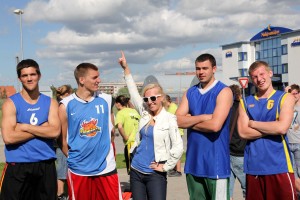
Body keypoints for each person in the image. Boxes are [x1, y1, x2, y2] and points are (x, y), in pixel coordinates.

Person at [118, 51, 184, 200]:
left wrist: (166, 167)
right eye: (147, 98)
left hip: (155, 174)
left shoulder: (169, 119)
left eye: (154, 98)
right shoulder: (144, 113)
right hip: (136, 170)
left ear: (161, 98)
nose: (150, 101)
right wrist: (126, 68)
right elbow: (133, 92)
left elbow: (178, 147)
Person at [58, 63, 121, 200]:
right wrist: (74, 158)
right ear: (82, 80)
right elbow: (62, 140)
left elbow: (111, 132)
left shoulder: (106, 99)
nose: (99, 80)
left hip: (106, 168)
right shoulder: (66, 105)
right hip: (78, 170)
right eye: (94, 77)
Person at [0, 59, 61, 200]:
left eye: (32, 74)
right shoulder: (10, 103)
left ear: (39, 75)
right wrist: (42, 128)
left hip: (45, 165)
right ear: (19, 78)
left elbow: (54, 132)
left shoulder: (51, 103)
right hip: (18, 166)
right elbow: (9, 138)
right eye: (25, 75)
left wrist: (25, 127)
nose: (29, 78)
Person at [176, 53, 232, 199]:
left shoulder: (224, 91)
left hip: (216, 164)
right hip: (193, 163)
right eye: (198, 68)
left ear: (214, 69)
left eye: (205, 68)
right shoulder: (190, 92)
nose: (201, 72)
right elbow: (175, 121)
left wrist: (188, 121)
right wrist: (201, 118)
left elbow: (215, 126)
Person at [237, 61, 297, 199]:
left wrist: (253, 123)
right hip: (254, 167)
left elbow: (282, 128)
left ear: (270, 73)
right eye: (255, 76)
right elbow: (243, 132)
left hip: (279, 165)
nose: (259, 79)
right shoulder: (245, 102)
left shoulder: (285, 97)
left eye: (261, 74)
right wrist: (272, 126)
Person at [54, 85, 73, 200]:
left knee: (64, 170)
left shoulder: (59, 105)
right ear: (67, 94)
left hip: (63, 143)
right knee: (62, 171)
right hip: (62, 144)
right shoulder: (62, 106)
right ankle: (60, 194)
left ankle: (64, 193)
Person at [228, 84, 246, 199]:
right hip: (241, 153)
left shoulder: (226, 110)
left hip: (227, 152)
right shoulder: (245, 108)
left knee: (227, 190)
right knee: (247, 188)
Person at [114, 95, 140, 174]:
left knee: (131, 168)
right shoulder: (134, 111)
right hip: (139, 142)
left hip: (130, 143)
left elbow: (119, 126)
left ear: (118, 104)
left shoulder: (121, 113)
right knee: (139, 166)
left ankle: (134, 185)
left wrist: (125, 137)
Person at [164, 94, 184, 177]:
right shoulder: (172, 106)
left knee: (176, 151)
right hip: (177, 131)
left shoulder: (172, 108)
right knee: (174, 150)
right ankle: (175, 169)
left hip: (176, 132)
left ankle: (178, 170)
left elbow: (167, 120)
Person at [286, 84, 300, 194]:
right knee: (293, 172)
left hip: (298, 143)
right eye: (292, 93)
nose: (294, 95)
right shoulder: (287, 106)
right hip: (288, 142)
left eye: (296, 93)